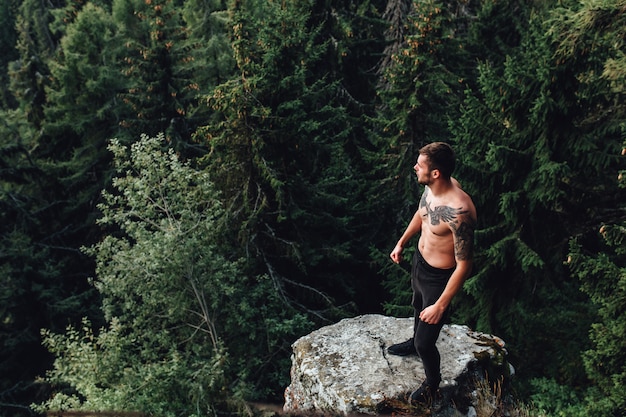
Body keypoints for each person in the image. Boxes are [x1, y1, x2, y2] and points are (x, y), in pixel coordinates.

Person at [387, 142, 476, 406]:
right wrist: (402, 241)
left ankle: (432, 384)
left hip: (440, 278)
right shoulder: (430, 188)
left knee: (427, 343)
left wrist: (440, 305)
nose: (415, 167)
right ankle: (414, 343)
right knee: (416, 306)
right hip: (420, 263)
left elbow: (465, 265)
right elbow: (423, 214)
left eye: (420, 165)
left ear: (435, 173)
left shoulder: (460, 211)